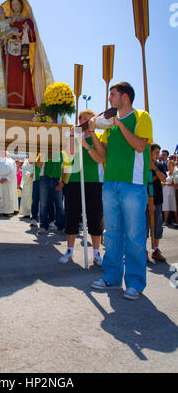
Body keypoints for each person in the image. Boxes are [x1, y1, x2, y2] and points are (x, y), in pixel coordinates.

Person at [90, 82, 153, 300]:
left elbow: (140, 146)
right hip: (110, 183)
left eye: (112, 95)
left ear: (124, 97)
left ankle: (135, 283)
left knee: (134, 236)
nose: (109, 99)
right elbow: (103, 155)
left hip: (133, 184)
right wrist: (92, 136)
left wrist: (118, 122)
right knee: (112, 233)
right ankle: (111, 277)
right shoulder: (109, 126)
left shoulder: (142, 116)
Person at [0, 0, 54, 109]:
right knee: (8, 76)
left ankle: (27, 104)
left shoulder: (27, 21)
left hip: (23, 53)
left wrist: (24, 32)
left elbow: (33, 38)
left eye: (17, 4)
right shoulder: (7, 20)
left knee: (23, 76)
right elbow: (0, 32)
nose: (15, 7)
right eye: (13, 4)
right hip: (8, 53)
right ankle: (5, 103)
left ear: (22, 6)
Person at [59, 109, 104, 266]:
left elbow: (100, 159)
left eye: (88, 118)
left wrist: (85, 144)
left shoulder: (98, 137)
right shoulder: (73, 136)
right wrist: (72, 138)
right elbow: (67, 157)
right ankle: (69, 250)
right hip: (74, 181)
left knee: (95, 217)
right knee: (71, 216)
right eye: (82, 118)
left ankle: (97, 253)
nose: (84, 120)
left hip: (94, 182)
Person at [146, 143, 167, 262]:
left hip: (158, 200)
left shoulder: (159, 165)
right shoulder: (143, 165)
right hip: (145, 202)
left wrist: (154, 168)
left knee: (158, 226)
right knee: (144, 227)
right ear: (150, 152)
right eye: (155, 152)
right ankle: (143, 252)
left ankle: (155, 250)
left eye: (158, 153)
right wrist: (149, 202)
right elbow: (143, 185)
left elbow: (163, 178)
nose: (157, 155)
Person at [37, 152, 65, 235]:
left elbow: (65, 168)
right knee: (43, 204)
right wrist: (44, 153)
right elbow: (38, 164)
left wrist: (62, 182)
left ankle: (61, 226)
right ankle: (43, 226)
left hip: (57, 180)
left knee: (59, 205)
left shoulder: (63, 153)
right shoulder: (44, 150)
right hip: (44, 179)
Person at [162, 159, 178, 225]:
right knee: (166, 207)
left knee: (174, 208)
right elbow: (161, 182)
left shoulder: (176, 175)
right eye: (168, 166)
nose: (169, 167)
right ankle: (165, 221)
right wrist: (166, 183)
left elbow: (176, 186)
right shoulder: (165, 173)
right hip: (165, 192)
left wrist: (173, 183)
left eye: (170, 166)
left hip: (172, 193)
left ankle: (176, 221)